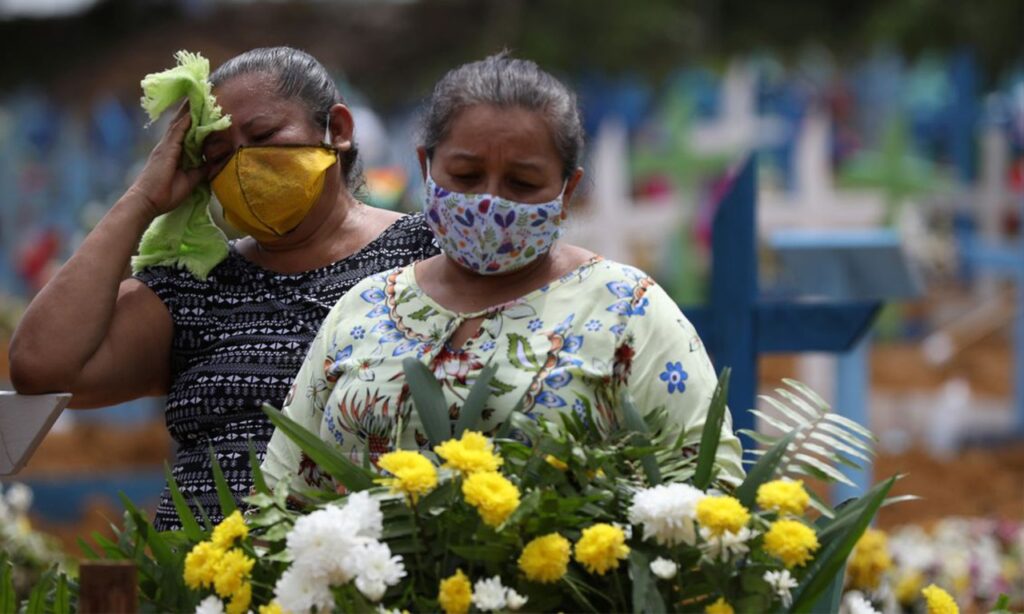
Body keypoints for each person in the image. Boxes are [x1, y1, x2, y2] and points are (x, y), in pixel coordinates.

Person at [262, 53, 743, 493]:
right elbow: (284, 494)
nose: (489, 201)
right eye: (466, 176)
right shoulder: (364, 309)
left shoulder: (625, 308)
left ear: (567, 190)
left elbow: (705, 490)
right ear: (426, 167)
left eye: (523, 182)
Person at [8, 47, 438, 530]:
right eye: (218, 156)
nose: (242, 164)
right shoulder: (196, 289)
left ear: (337, 130)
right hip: (202, 584)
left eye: (264, 136)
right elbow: (40, 366)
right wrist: (142, 199)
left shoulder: (427, 254)